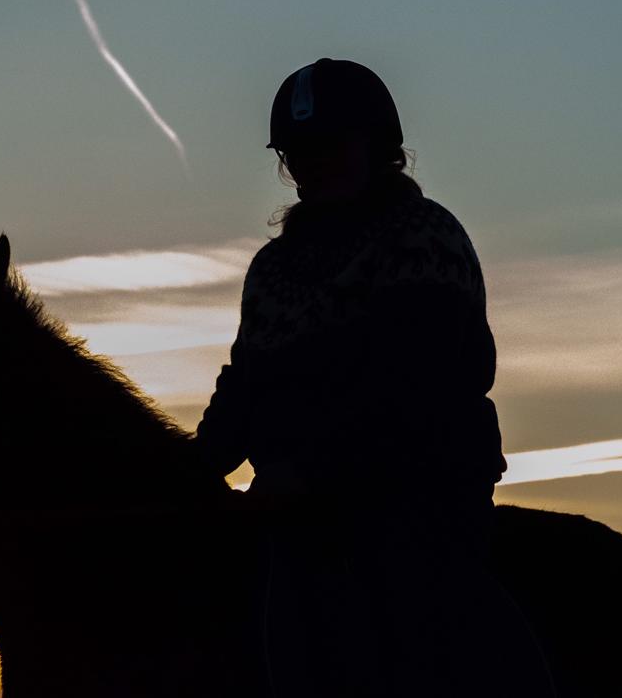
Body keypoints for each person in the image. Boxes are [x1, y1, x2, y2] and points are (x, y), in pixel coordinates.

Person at [190, 59, 555, 696]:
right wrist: (187, 477)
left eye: (330, 147)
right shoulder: (273, 268)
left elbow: (421, 391)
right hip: (294, 506)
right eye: (298, 152)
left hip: (412, 497)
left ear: (377, 147)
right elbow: (245, 384)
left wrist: (309, 474)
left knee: (414, 624)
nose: (312, 164)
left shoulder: (422, 237)